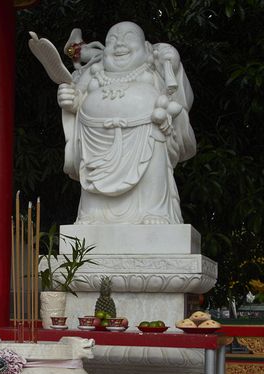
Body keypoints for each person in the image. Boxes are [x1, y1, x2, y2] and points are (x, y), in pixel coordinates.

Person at [56, 21, 196, 225]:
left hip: (146, 133)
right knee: (92, 177)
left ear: (146, 47)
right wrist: (69, 99)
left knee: (153, 160)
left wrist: (171, 64)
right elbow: (76, 99)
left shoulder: (152, 71)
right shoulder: (94, 73)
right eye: (112, 41)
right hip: (95, 140)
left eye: (128, 38)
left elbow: (178, 97)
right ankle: (91, 215)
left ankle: (155, 211)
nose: (119, 44)